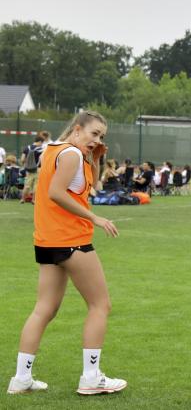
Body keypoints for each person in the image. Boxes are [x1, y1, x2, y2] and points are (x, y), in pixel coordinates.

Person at [7, 110, 126, 397]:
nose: (97, 139)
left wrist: (95, 158)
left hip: (48, 241)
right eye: (93, 133)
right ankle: (91, 377)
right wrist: (95, 218)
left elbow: (88, 186)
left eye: (101, 136)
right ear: (76, 129)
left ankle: (21, 379)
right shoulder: (71, 153)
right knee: (101, 305)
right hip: (70, 240)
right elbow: (56, 193)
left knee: (44, 309)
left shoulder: (55, 150)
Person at [19, 135, 43, 203]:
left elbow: (22, 159)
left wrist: (26, 165)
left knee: (27, 185)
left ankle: (22, 199)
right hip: (38, 169)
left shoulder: (27, 148)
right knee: (36, 185)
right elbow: (42, 159)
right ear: (40, 142)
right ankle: (33, 200)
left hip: (28, 169)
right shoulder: (40, 149)